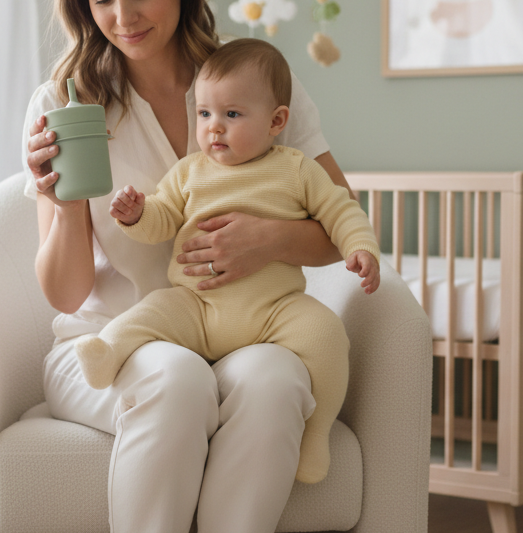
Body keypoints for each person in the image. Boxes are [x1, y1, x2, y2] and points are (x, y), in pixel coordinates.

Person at [24, 0, 362, 533]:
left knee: (279, 377)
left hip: (244, 330)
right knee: (171, 380)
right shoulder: (66, 98)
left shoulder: (254, 77)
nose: (122, 17)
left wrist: (264, 238)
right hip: (114, 339)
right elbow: (65, 293)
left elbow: (337, 226)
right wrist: (61, 198)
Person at [75, 37, 380, 485]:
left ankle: (314, 438)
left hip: (272, 312)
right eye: (204, 114)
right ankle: (107, 352)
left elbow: (340, 210)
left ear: (276, 121)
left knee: (327, 335)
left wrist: (361, 248)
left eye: (232, 115)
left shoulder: (295, 169)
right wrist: (137, 214)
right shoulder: (188, 172)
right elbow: (162, 219)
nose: (213, 128)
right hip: (196, 307)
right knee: (151, 313)